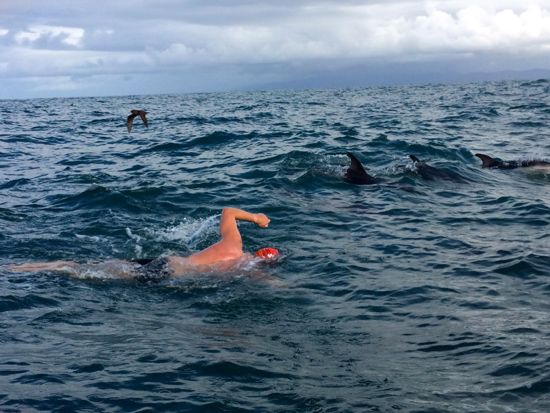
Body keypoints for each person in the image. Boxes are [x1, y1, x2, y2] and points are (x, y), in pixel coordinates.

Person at [8, 207, 280, 281]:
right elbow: (273, 285)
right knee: (88, 273)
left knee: (91, 267)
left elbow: (228, 211)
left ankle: (24, 267)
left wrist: (256, 218)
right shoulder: (246, 268)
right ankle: (26, 269)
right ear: (261, 260)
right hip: (166, 273)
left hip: (167, 261)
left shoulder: (233, 244)